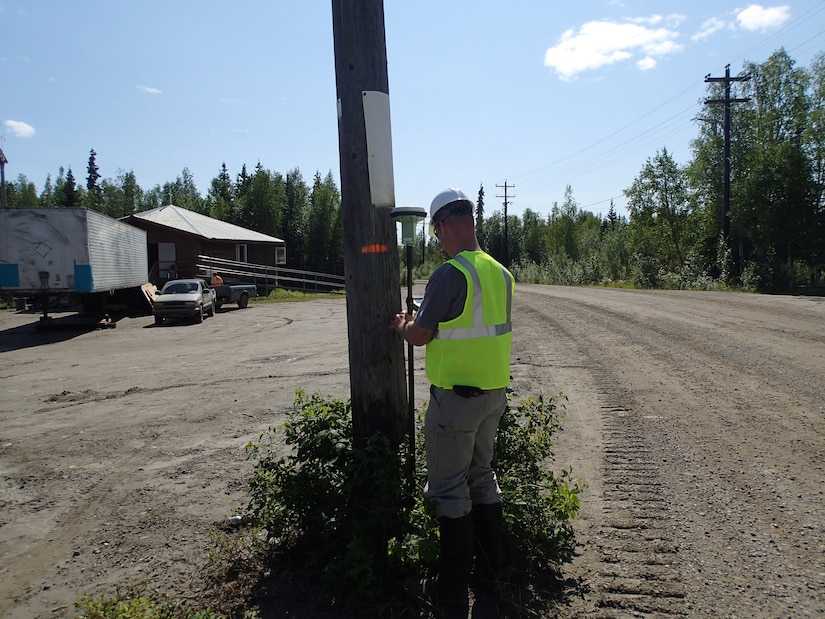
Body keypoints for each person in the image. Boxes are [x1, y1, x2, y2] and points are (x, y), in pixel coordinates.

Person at [390, 188, 514, 617]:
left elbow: (423, 334)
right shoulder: (501, 273)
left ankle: (450, 592)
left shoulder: (448, 274)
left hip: (455, 402)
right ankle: (493, 572)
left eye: (436, 231)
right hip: (493, 396)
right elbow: (474, 322)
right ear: (471, 220)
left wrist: (405, 325)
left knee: (449, 491)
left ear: (442, 226)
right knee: (482, 478)